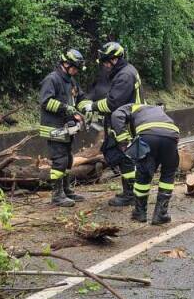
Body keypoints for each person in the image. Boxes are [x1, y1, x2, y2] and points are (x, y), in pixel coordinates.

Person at [78, 41, 144, 207]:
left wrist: (91, 106)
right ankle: (132, 192)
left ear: (115, 59)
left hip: (127, 123)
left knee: (126, 158)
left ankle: (131, 195)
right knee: (126, 157)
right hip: (127, 121)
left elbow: (112, 103)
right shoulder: (124, 71)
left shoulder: (125, 75)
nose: (105, 66)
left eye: (107, 62)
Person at [110, 103, 180, 224]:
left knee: (144, 175)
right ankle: (161, 214)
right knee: (168, 173)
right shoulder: (158, 109)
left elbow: (116, 115)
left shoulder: (131, 107)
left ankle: (140, 213)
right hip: (171, 135)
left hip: (148, 135)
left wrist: (124, 141)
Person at [38, 49, 87, 207]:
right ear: (65, 64)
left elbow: (80, 98)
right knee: (60, 160)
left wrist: (87, 108)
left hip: (66, 127)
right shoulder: (52, 79)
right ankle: (57, 195)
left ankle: (66, 190)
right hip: (54, 127)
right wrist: (67, 109)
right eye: (74, 67)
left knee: (68, 159)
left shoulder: (71, 80)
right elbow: (45, 102)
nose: (76, 71)